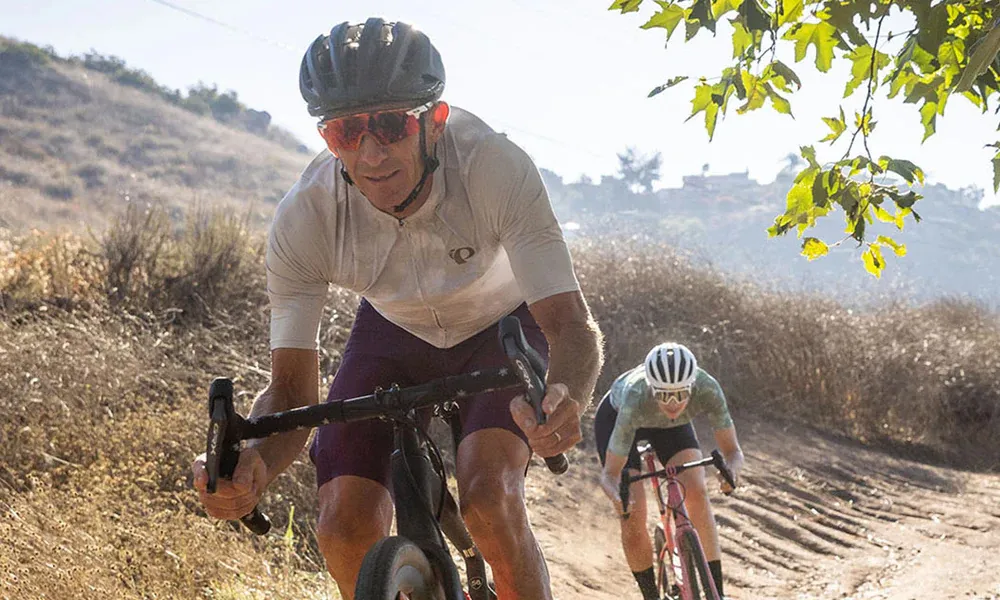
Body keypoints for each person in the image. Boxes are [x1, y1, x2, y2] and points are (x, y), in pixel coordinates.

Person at [190, 17, 603, 600]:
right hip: (393, 333)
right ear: (327, 139)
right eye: (346, 132)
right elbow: (290, 393)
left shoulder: (494, 167)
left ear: (434, 121)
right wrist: (254, 462)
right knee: (341, 527)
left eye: (390, 124)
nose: (372, 151)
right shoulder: (306, 217)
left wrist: (565, 397)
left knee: (489, 501)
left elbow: (570, 328)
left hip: (504, 326)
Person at [595, 342, 744, 600]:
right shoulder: (636, 396)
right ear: (652, 388)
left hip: (671, 428)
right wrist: (615, 493)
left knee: (697, 490)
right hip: (620, 419)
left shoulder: (707, 389)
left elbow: (733, 452)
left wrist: (731, 472)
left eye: (680, 394)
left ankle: (716, 592)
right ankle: (650, 595)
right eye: (664, 395)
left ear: (693, 387)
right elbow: (610, 474)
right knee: (633, 515)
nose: (673, 403)